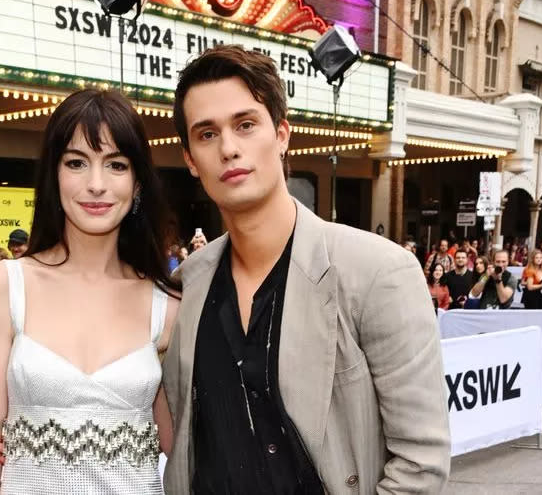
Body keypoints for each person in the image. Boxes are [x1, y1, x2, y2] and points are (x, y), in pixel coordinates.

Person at [162, 45, 449, 494]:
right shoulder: (187, 285)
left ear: (281, 135)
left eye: (245, 124)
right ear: (190, 160)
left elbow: (422, 462)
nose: (229, 148)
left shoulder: (377, 273)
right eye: (207, 134)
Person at [0, 89, 180, 494]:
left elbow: (183, 445)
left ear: (137, 184)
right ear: (55, 174)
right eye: (77, 162)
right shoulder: (6, 286)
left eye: (116, 165)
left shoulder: (167, 306)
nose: (96, 184)